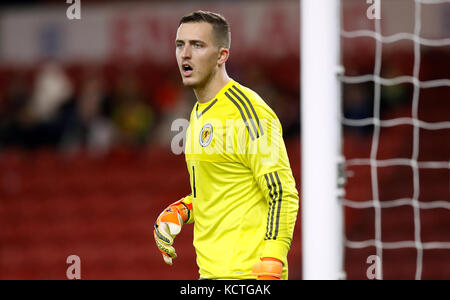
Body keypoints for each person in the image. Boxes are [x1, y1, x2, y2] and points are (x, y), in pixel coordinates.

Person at [154, 11, 299, 280]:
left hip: (250, 276)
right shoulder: (198, 113)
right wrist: (181, 211)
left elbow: (282, 192)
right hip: (210, 275)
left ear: (222, 56)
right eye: (180, 45)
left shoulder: (249, 112)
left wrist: (272, 261)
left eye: (197, 45)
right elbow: (221, 192)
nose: (185, 54)